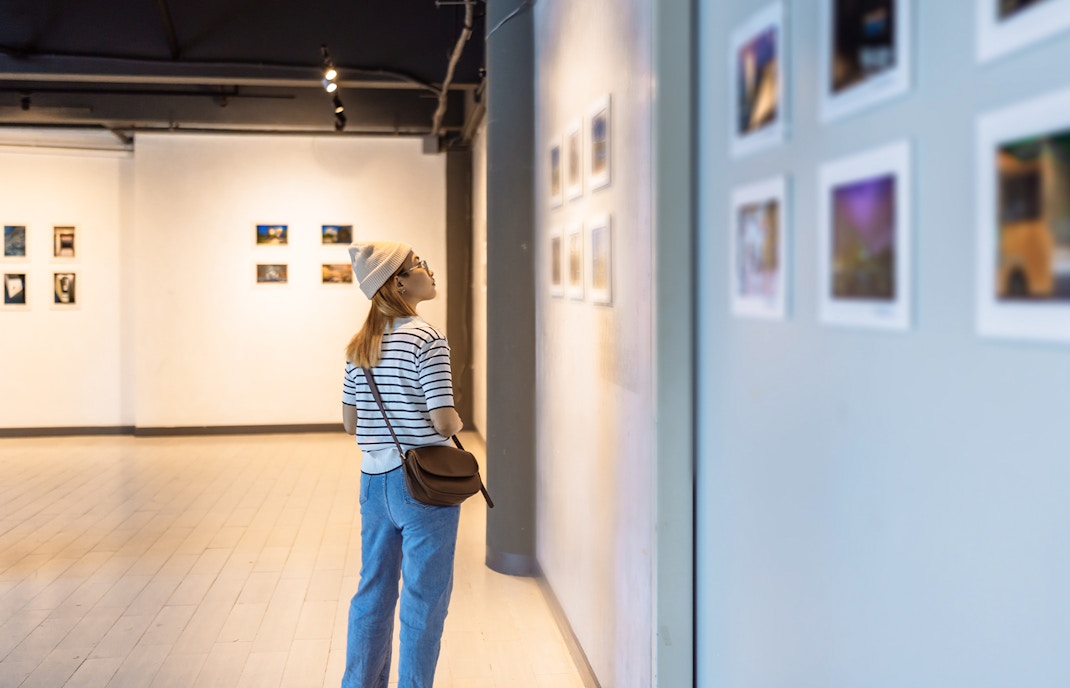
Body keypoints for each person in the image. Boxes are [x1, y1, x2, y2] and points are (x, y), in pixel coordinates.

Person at [340, 241, 463, 688]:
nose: (428, 269)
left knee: (372, 592)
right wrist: (457, 419)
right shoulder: (426, 337)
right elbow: (443, 418)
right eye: (418, 264)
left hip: (374, 483)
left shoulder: (359, 345)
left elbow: (350, 423)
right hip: (423, 486)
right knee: (423, 600)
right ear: (398, 281)